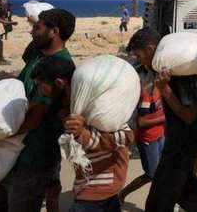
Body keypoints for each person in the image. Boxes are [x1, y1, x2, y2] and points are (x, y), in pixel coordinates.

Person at [0, 8, 76, 212]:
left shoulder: (61, 66)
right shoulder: (37, 54)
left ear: (54, 32)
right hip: (11, 152)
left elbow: (34, 117)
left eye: (37, 28)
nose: (32, 32)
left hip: (33, 158)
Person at [32, 55, 134, 212]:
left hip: (100, 189)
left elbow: (127, 136)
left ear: (59, 83)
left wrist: (84, 134)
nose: (40, 92)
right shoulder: (66, 109)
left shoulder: (96, 105)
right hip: (87, 187)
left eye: (41, 86)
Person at [144, 44, 197, 210]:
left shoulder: (182, 80)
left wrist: (164, 89)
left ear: (150, 49)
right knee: (188, 195)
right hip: (183, 149)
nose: (140, 61)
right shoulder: (180, 76)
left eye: (139, 56)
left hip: (179, 151)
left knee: (157, 205)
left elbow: (188, 116)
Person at [119, 28, 167, 205]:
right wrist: (166, 118)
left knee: (161, 171)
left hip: (158, 134)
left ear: (150, 49)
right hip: (147, 138)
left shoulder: (156, 76)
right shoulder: (145, 88)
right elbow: (141, 121)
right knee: (152, 174)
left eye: (138, 55)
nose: (137, 59)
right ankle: (123, 194)